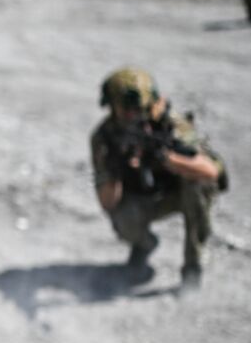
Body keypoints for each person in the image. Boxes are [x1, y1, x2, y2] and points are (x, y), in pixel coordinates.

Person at [89, 68, 227, 290]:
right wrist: (116, 168)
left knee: (200, 185)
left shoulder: (170, 125)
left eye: (138, 110)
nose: (133, 116)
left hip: (177, 194)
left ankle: (193, 266)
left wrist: (167, 158)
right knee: (122, 219)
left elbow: (211, 171)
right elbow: (107, 202)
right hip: (142, 200)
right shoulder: (104, 138)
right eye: (126, 111)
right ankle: (143, 245)